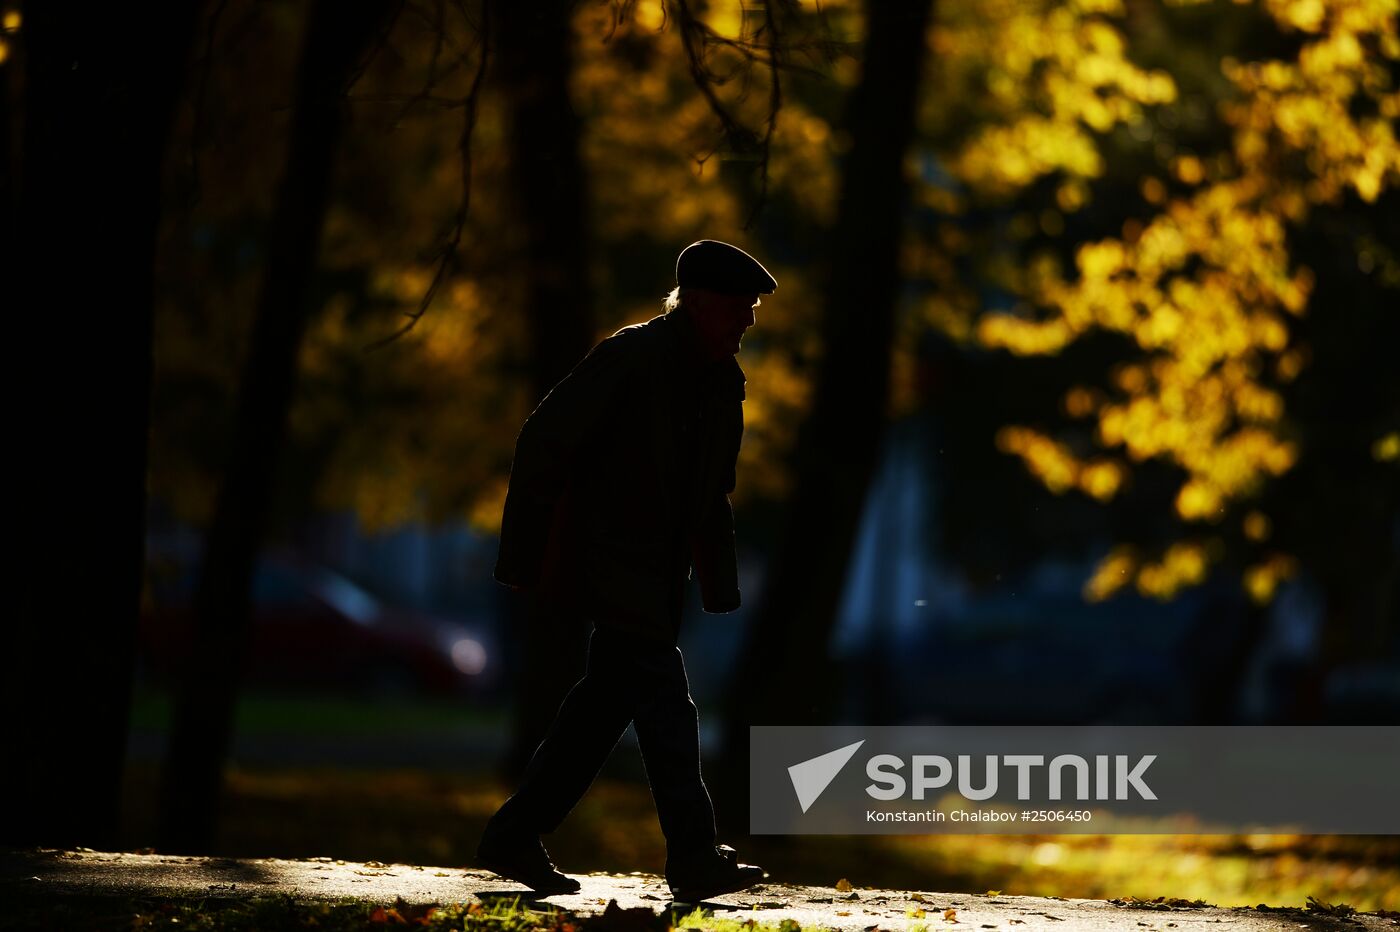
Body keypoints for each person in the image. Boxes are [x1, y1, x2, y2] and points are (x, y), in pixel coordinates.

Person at [476, 240, 775, 902]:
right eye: (739, 306)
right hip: (610, 565)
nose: (749, 320)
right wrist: (523, 556)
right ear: (698, 303)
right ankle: (694, 854)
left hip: (656, 576)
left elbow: (711, 493)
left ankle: (514, 834)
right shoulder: (631, 357)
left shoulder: (722, 381)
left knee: (598, 714)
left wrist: (720, 585)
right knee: (668, 708)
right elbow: (544, 441)